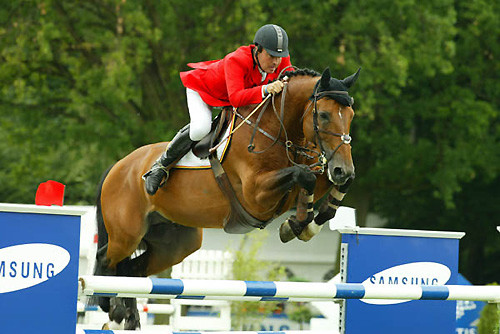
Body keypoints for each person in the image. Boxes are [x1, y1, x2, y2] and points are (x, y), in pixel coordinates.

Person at [143, 24, 293, 195]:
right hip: (203, 90)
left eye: (279, 57)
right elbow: (236, 98)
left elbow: (291, 79)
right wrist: (265, 89)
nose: (276, 62)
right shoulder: (237, 60)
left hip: (230, 97)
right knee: (201, 128)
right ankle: (160, 166)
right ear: (258, 49)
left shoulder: (281, 60)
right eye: (271, 56)